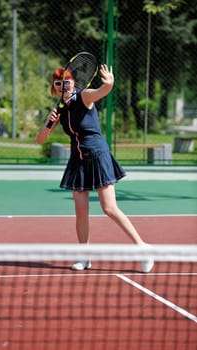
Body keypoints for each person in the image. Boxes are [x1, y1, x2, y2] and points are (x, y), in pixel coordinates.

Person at [36, 64, 154, 273]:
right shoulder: (60, 110)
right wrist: (48, 122)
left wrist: (109, 84)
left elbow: (102, 91)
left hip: (97, 155)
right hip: (78, 160)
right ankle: (84, 256)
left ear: (73, 82)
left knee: (109, 208)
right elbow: (40, 139)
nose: (64, 86)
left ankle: (143, 247)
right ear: (54, 87)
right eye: (58, 83)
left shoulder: (84, 96)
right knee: (81, 211)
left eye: (67, 81)